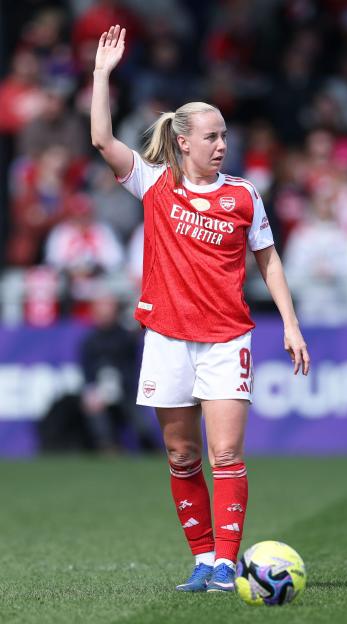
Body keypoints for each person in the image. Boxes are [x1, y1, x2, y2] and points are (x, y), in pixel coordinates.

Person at [91, 25, 310, 593]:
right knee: (182, 453)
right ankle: (202, 556)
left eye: (225, 136)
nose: (221, 145)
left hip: (227, 336)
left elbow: (269, 259)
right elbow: (100, 141)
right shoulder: (155, 185)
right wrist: (100, 75)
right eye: (211, 136)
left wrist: (289, 323)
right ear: (183, 141)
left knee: (226, 451)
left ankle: (224, 564)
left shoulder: (243, 195)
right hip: (165, 336)